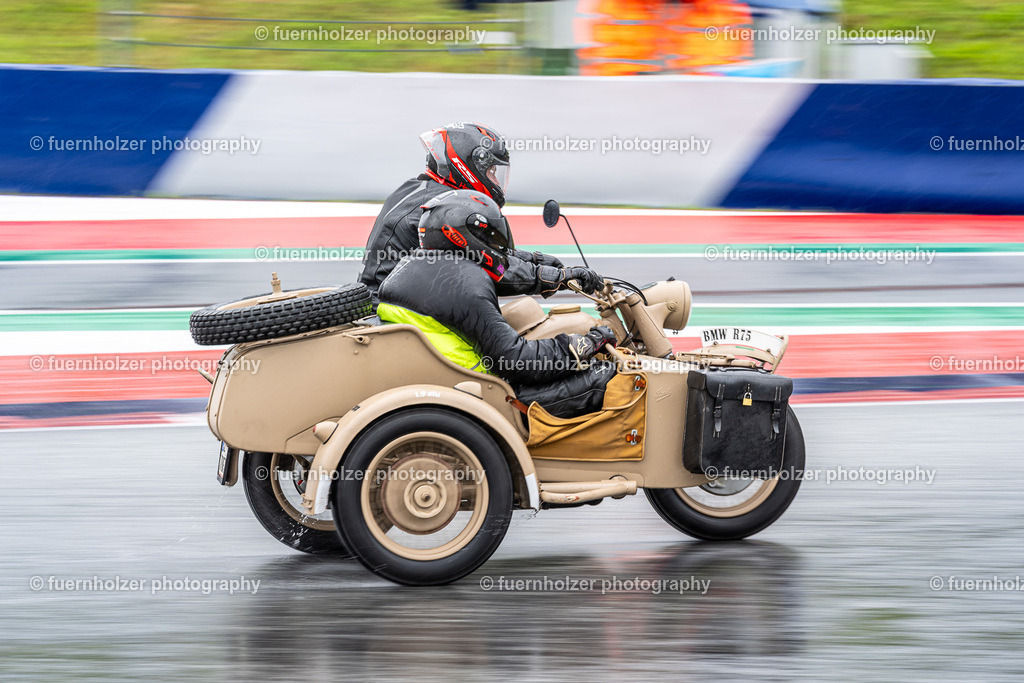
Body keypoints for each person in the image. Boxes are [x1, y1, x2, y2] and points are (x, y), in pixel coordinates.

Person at [377, 189, 617, 418]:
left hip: (448, 381)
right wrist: (581, 345)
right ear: (460, 236)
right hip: (488, 394)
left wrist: (554, 276)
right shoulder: (466, 283)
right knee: (610, 375)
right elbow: (517, 361)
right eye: (491, 237)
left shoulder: (415, 266)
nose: (497, 245)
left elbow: (502, 270)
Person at [358, 122, 602, 305]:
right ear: (469, 165)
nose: (495, 180)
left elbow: (482, 252)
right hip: (395, 317)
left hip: (397, 303)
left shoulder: (420, 189)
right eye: (492, 172)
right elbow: (494, 269)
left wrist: (538, 261)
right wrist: (555, 278)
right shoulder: (440, 209)